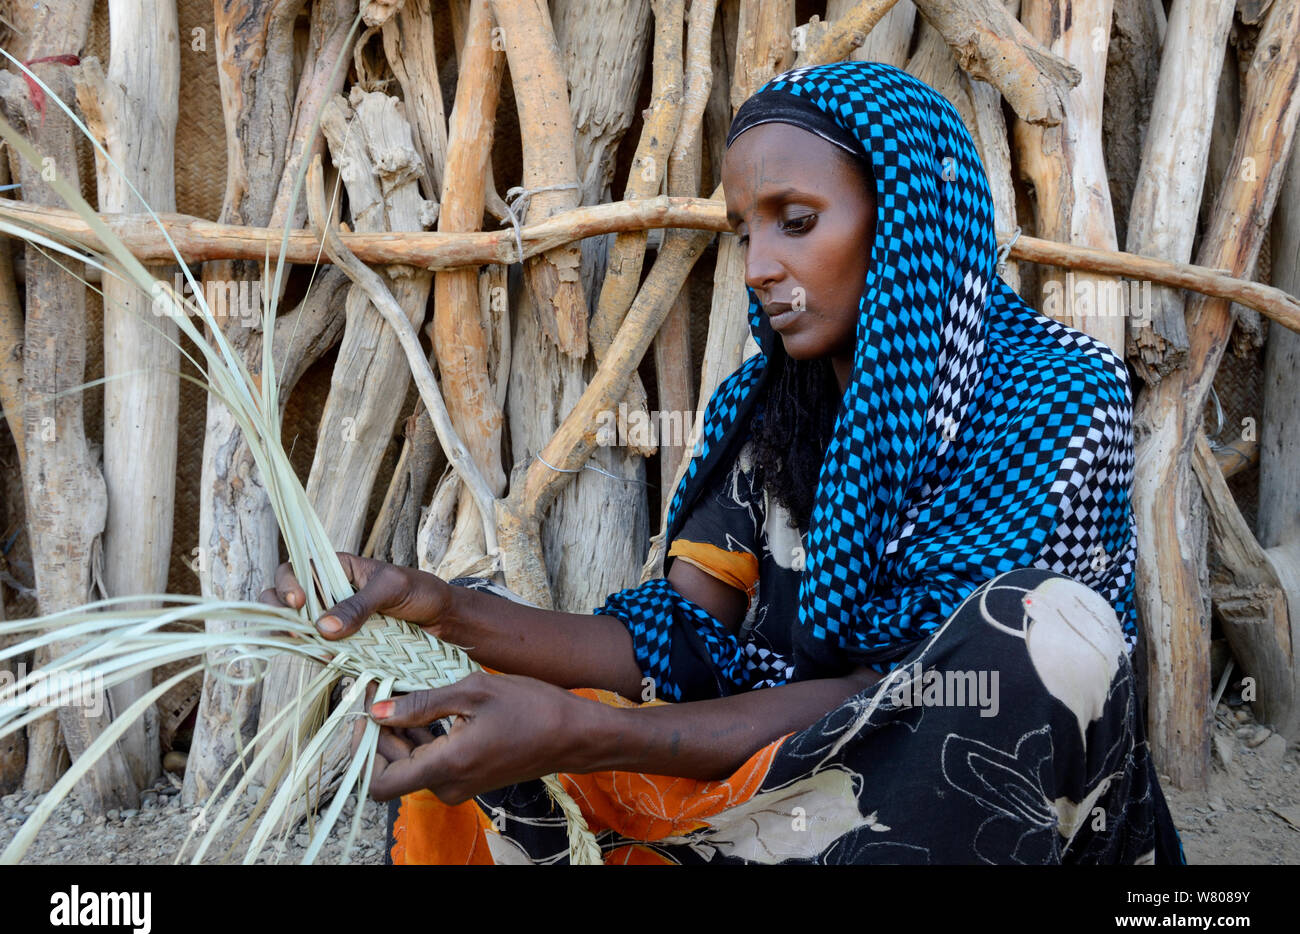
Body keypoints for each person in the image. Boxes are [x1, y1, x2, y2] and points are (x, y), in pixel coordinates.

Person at [264, 61, 1183, 864]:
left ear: (908, 218)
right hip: (786, 786)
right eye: (746, 229)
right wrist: (446, 607)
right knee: (495, 728)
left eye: (795, 219)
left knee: (1036, 632)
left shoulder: (1058, 397)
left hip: (975, 801)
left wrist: (587, 733)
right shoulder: (767, 410)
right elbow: (680, 640)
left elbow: (935, 695)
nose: (756, 263)